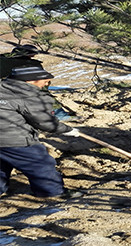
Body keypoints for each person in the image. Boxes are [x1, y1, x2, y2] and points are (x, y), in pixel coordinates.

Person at [0, 66, 81, 198]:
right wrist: (68, 130)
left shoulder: (3, 87)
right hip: (15, 140)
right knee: (40, 164)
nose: (47, 84)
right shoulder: (28, 95)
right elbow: (44, 122)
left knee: (2, 165)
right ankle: (51, 193)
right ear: (31, 81)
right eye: (45, 81)